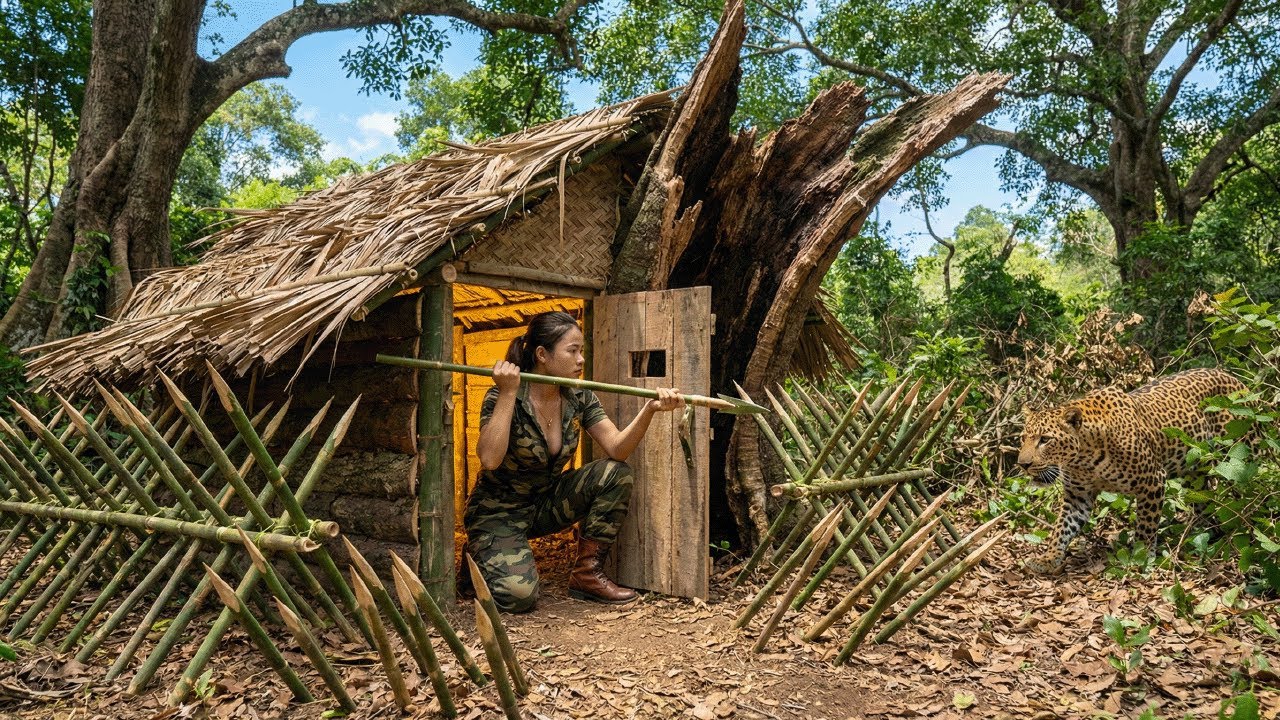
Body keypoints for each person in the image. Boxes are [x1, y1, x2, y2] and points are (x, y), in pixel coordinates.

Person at [465, 310, 684, 612]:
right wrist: (507, 393)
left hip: (544, 504)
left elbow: (617, 449)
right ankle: (479, 554)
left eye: (581, 350)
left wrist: (650, 410)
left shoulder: (578, 397)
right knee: (518, 598)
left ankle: (586, 576)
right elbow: (489, 459)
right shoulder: (503, 396)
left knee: (615, 474)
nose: (581, 359)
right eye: (573, 351)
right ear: (542, 354)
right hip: (498, 514)